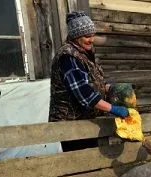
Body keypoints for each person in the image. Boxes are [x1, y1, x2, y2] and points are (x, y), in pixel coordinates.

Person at [49, 11, 130, 151]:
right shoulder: (68, 57)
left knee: (93, 161)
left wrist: (109, 88)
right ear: (75, 36)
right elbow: (84, 94)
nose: (91, 39)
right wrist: (113, 108)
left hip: (87, 120)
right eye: (87, 36)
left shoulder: (84, 53)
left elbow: (92, 81)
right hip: (71, 124)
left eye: (92, 35)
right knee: (80, 165)